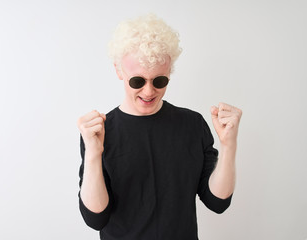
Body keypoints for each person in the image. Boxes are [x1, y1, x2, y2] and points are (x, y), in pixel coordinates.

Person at [77, 14, 242, 240]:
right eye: (137, 81)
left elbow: (217, 201)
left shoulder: (192, 125)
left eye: (159, 81)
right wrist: (94, 154)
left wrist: (229, 145)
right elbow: (95, 218)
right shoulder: (101, 132)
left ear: (169, 72)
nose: (148, 91)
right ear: (118, 71)